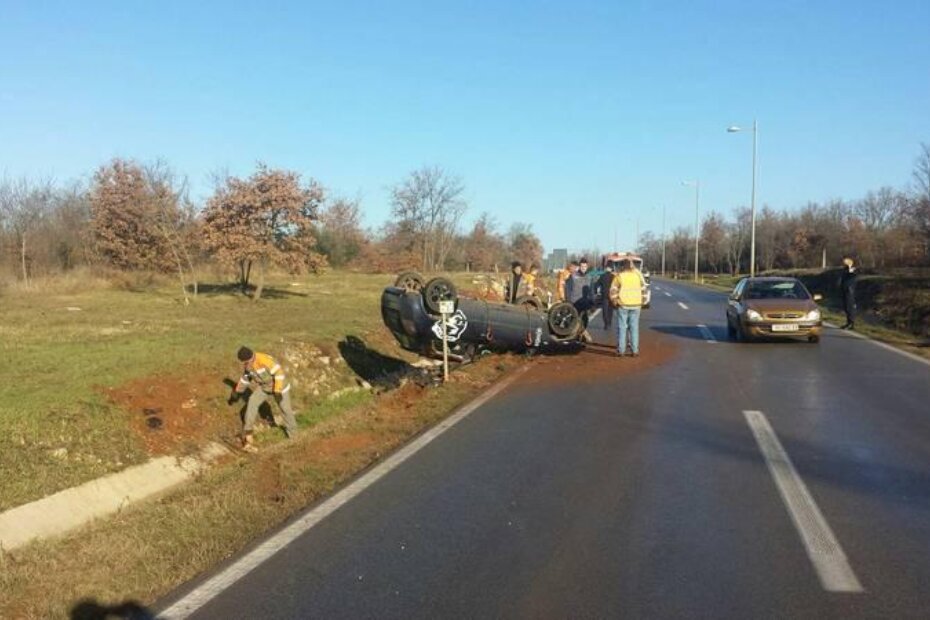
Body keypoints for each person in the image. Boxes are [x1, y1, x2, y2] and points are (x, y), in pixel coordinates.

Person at [229, 346, 298, 452]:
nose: (245, 364)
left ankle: (294, 438)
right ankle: (248, 432)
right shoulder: (248, 365)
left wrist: (278, 390)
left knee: (285, 410)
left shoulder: (264, 360)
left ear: (251, 358)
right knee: (252, 401)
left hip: (280, 387)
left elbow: (279, 373)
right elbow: (245, 379)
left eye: (246, 362)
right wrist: (237, 392)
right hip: (265, 387)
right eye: (243, 363)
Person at [610, 259, 647, 357]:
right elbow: (644, 288)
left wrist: (615, 301)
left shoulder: (619, 276)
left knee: (622, 327)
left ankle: (621, 350)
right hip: (636, 305)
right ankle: (635, 350)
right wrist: (643, 301)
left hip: (623, 304)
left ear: (622, 267)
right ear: (631, 266)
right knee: (634, 328)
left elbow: (613, 290)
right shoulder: (637, 276)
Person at [565, 258, 594, 341]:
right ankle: (572, 336)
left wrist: (592, 301)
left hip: (585, 302)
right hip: (574, 302)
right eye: (582, 266)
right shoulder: (573, 276)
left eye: (585, 266)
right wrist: (568, 301)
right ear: (579, 266)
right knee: (574, 320)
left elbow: (592, 290)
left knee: (585, 319)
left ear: (587, 267)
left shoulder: (590, 277)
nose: (583, 268)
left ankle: (582, 332)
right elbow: (568, 288)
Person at [840, 256, 858, 330]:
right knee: (846, 308)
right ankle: (848, 322)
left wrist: (850, 271)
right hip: (845, 291)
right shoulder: (845, 270)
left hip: (849, 292)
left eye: (845, 263)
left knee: (850, 307)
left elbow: (852, 278)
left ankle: (851, 323)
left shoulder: (852, 271)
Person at [596, 263, 615, 330]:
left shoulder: (602, 276)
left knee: (605, 310)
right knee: (610, 310)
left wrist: (596, 292)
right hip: (612, 296)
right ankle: (609, 322)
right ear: (611, 268)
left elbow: (597, 284)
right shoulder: (614, 276)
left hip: (604, 295)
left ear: (606, 268)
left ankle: (606, 323)